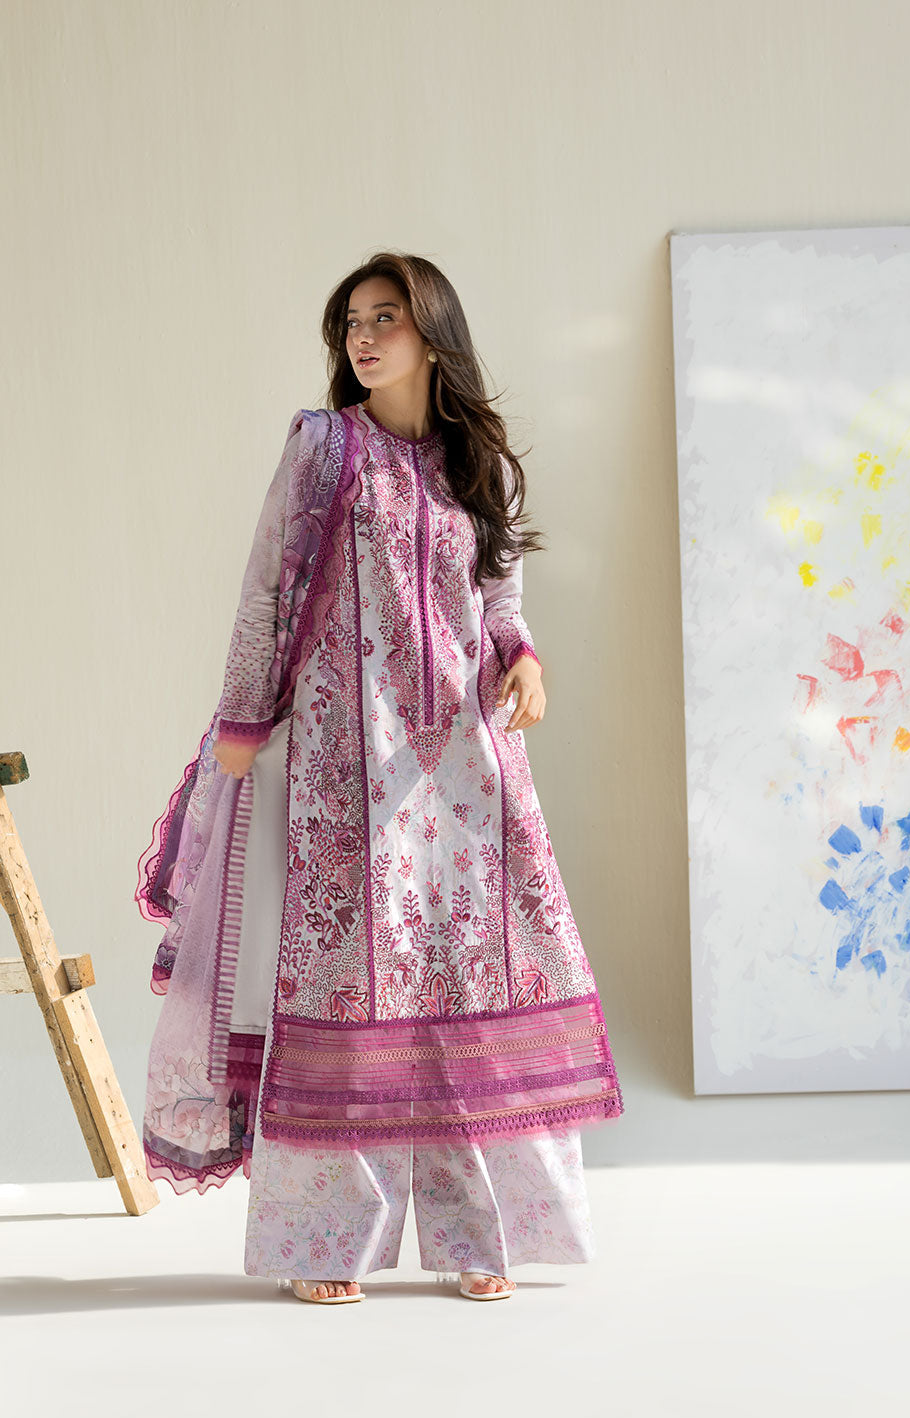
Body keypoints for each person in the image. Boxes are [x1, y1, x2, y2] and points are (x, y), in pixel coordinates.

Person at [135, 251, 624, 1306]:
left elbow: (500, 600)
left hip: (465, 763)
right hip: (342, 763)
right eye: (352, 321)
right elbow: (266, 589)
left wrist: (526, 659)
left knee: (470, 974)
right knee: (348, 984)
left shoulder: (482, 463)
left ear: (431, 333)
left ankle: (483, 1231)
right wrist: (241, 719)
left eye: (385, 317)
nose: (362, 337)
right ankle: (326, 1241)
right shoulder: (323, 448)